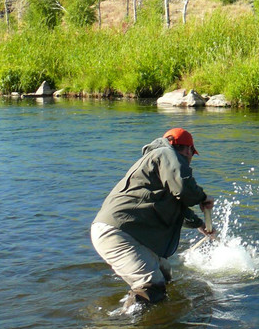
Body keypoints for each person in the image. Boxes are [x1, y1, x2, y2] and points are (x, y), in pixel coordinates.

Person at [91, 127, 215, 308]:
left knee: (165, 275)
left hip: (125, 231)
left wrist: (200, 225)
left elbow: (176, 204)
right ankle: (126, 324)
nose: (190, 159)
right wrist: (202, 198)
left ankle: (159, 316)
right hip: (117, 232)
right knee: (151, 285)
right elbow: (183, 188)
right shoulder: (166, 154)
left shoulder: (157, 163)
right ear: (188, 150)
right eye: (191, 154)